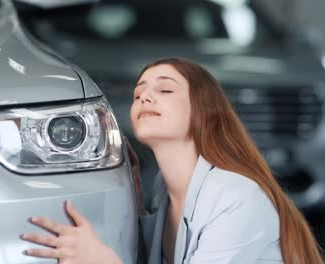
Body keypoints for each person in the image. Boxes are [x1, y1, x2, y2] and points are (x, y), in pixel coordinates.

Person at [20, 58, 324, 264]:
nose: (145, 98)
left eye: (164, 90)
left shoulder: (237, 196)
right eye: (139, 93)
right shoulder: (163, 189)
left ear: (203, 110)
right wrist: (134, 202)